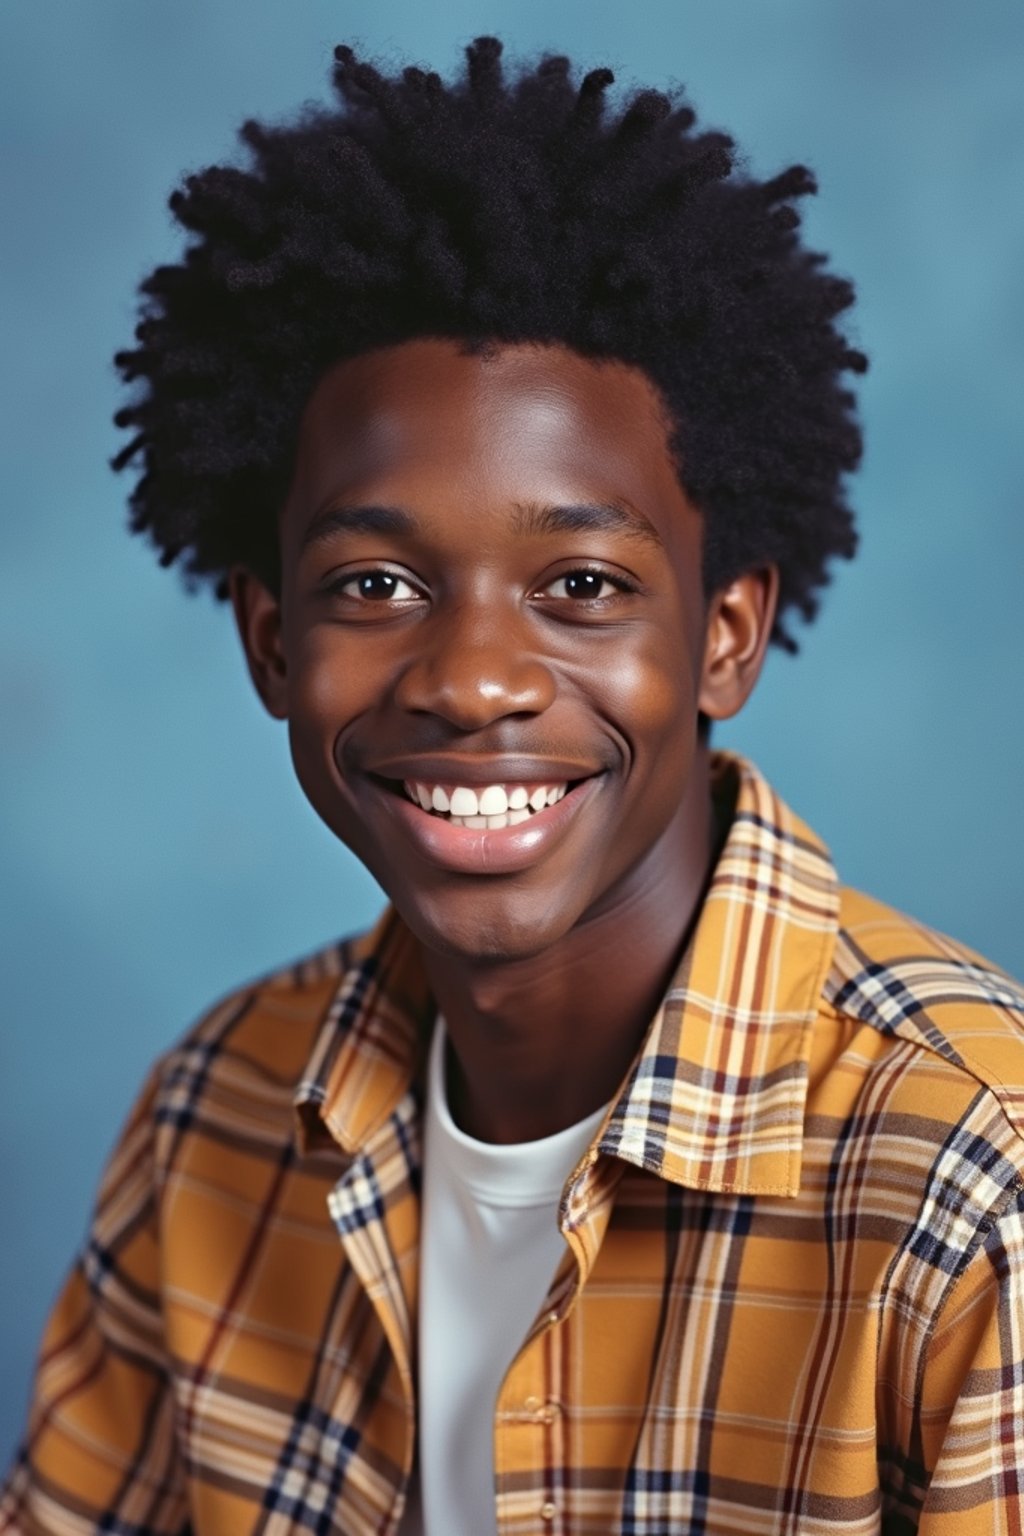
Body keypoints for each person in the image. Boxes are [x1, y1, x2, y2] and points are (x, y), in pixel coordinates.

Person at [3, 36, 1023, 1536]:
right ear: (271, 642)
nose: (473, 679)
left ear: (724, 634)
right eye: (375, 581)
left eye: (586, 582)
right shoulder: (210, 1122)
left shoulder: (971, 1176)